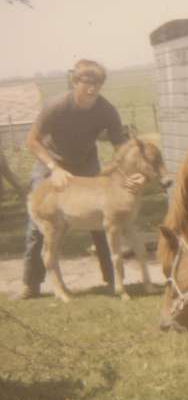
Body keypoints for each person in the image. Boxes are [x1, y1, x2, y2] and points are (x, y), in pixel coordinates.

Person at [16, 59, 139, 300]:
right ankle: (30, 284)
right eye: (86, 82)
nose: (92, 89)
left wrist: (131, 174)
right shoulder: (57, 106)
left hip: (85, 164)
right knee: (38, 228)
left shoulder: (106, 110)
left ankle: (112, 281)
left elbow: (121, 149)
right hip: (50, 162)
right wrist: (54, 168)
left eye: (97, 83)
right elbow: (32, 141)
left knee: (103, 220)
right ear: (75, 81)